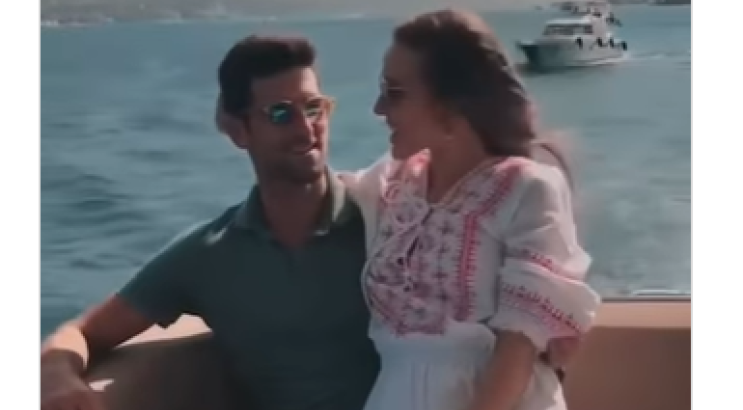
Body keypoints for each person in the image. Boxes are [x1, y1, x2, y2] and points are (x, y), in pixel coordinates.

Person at [40, 34, 581, 410]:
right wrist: (55, 375)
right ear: (236, 129)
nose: (306, 129)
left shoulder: (390, 217)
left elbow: (508, 272)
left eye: (314, 107)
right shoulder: (209, 255)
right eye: (280, 113)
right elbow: (83, 332)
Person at [339, 9, 601, 410]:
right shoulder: (389, 183)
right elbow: (320, 194)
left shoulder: (527, 188)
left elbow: (518, 347)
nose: (378, 108)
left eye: (394, 92)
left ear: (450, 105)